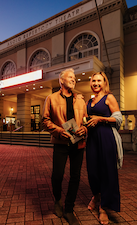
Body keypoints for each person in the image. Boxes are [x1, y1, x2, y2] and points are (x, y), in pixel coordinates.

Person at [42, 68, 87, 225]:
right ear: (61, 80)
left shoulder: (81, 99)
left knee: (75, 176)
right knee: (57, 175)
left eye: (74, 78)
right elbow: (45, 120)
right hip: (61, 142)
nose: (74, 80)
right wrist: (59, 131)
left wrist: (85, 128)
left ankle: (69, 209)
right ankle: (58, 200)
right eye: (70, 77)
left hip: (78, 142)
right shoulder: (51, 98)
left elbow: (86, 120)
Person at [85, 71, 123, 225]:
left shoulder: (110, 98)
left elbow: (118, 119)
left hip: (106, 138)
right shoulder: (90, 100)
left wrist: (100, 119)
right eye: (94, 81)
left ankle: (104, 208)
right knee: (92, 171)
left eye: (99, 81)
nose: (96, 83)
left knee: (107, 172)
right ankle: (96, 195)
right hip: (92, 139)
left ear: (105, 82)